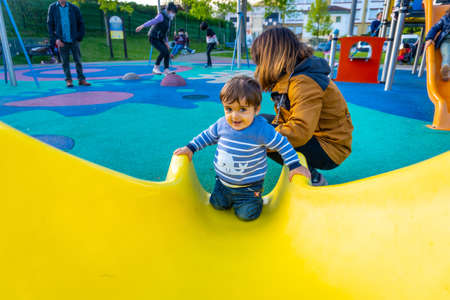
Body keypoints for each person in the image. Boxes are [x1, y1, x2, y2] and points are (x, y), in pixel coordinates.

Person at [174, 76, 310, 221]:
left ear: (256, 109)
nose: (235, 116)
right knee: (217, 205)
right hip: (222, 184)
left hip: (249, 188)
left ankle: (254, 202)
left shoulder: (262, 130)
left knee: (246, 215)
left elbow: (283, 144)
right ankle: (226, 198)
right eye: (229, 109)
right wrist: (190, 148)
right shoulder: (222, 124)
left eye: (243, 109)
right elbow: (206, 136)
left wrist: (294, 165)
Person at [251, 27, 353, 186]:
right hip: (316, 137)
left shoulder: (303, 82)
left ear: (270, 58)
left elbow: (299, 131)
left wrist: (255, 140)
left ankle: (312, 176)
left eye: (259, 61)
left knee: (259, 132)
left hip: (329, 149)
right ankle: (300, 165)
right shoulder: (293, 75)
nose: (258, 67)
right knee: (259, 123)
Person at [47, 0, 91, 88]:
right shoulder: (52, 7)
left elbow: (81, 23)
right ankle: (68, 80)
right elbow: (50, 24)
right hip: (61, 40)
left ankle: (81, 79)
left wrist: (79, 37)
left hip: (74, 39)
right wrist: (56, 39)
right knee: (65, 62)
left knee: (78, 60)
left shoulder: (74, 8)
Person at [136, 2, 178, 75]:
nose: (174, 14)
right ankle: (155, 68)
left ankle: (166, 70)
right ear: (168, 10)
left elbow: (165, 34)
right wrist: (142, 26)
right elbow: (152, 21)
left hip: (160, 38)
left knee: (167, 52)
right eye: (173, 12)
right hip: (153, 37)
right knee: (164, 51)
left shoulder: (168, 20)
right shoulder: (161, 15)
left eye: (174, 13)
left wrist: (167, 44)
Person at [424, 8, 450, 81]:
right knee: (447, 55)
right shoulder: (446, 18)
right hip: (446, 41)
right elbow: (435, 28)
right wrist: (429, 38)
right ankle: (445, 69)